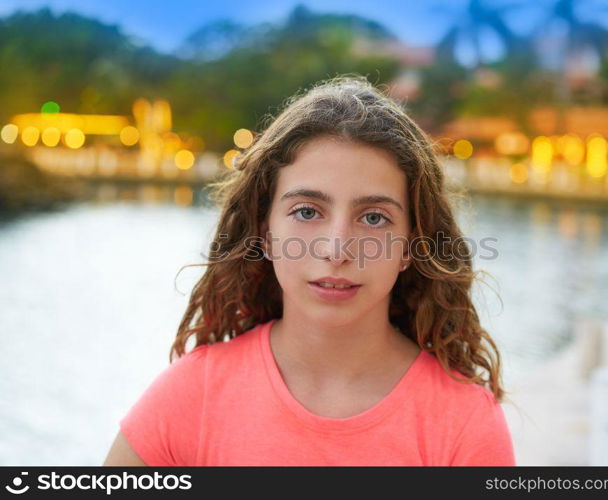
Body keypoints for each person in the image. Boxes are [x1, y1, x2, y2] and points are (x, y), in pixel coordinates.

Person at [103, 75, 516, 466]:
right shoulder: (192, 395)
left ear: (413, 244)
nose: (337, 249)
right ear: (265, 231)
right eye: (306, 211)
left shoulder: (464, 420)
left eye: (373, 218)